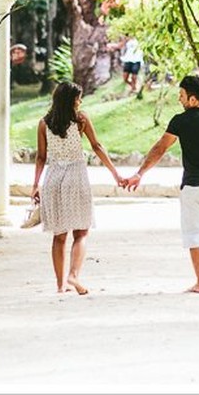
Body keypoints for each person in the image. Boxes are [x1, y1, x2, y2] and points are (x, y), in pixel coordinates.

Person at [121, 75, 199, 293]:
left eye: (181, 96)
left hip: (192, 188)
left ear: (192, 98)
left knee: (195, 235)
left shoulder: (180, 121)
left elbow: (160, 148)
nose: (179, 100)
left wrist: (140, 173)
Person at [31, 81, 123, 294]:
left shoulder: (44, 124)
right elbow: (97, 146)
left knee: (59, 235)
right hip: (76, 176)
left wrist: (35, 185)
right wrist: (115, 173)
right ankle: (73, 275)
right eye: (78, 98)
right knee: (81, 232)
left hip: (53, 179)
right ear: (71, 100)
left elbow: (41, 157)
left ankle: (60, 285)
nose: (80, 102)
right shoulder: (81, 120)